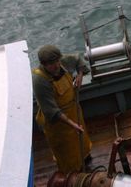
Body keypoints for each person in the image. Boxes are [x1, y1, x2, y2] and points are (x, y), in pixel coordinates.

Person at [32, 45, 92, 173]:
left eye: (57, 62)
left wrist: (80, 74)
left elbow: (78, 59)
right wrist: (72, 125)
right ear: (43, 64)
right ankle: (73, 174)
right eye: (52, 64)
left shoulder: (61, 62)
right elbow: (51, 111)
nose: (57, 66)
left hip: (74, 111)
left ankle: (86, 160)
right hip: (58, 123)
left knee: (82, 143)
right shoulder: (40, 81)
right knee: (67, 153)